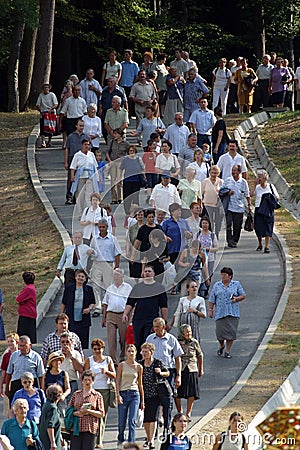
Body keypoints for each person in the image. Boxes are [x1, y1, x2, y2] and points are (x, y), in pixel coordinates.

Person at [122, 266, 168, 357]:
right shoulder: (137, 287)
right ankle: (139, 363)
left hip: (152, 319)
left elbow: (163, 306)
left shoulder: (159, 288)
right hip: (138, 319)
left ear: (154, 274)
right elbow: (130, 302)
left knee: (148, 342)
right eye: (145, 271)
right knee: (138, 342)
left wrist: (164, 321)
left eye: (149, 271)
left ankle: (148, 362)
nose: (147, 273)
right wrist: (125, 314)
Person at [84, 338, 116, 448]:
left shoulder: (108, 360)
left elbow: (114, 375)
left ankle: (99, 440)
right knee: (91, 413)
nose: (97, 351)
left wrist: (106, 372)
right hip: (92, 390)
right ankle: (92, 438)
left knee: (102, 415)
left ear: (103, 349)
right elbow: (84, 375)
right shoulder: (89, 360)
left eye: (99, 349)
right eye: (95, 349)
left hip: (105, 390)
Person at [208, 267, 246, 358]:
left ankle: (227, 351)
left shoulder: (236, 284)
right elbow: (212, 298)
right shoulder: (217, 285)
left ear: (230, 276)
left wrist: (236, 299)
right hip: (220, 313)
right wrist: (210, 310)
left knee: (231, 333)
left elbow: (243, 295)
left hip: (232, 312)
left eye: (225, 275)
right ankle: (221, 345)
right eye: (222, 274)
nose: (223, 276)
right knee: (220, 333)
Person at [140, 342, 171, 449]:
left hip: (156, 394)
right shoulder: (140, 364)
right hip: (144, 394)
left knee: (152, 417)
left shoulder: (157, 363)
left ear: (151, 352)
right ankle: (148, 438)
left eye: (146, 352)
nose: (144, 354)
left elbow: (167, 373)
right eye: (143, 351)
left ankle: (151, 440)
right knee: (146, 419)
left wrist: (160, 373)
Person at [90, 219, 122, 312]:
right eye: (100, 227)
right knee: (96, 285)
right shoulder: (94, 239)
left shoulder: (112, 239)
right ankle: (98, 307)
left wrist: (116, 267)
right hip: (97, 263)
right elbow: (90, 252)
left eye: (103, 227)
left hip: (108, 264)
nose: (102, 229)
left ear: (107, 227)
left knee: (108, 286)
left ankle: (107, 306)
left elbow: (117, 253)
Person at [102, 269, 132, 366]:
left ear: (123, 276)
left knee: (123, 338)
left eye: (118, 274)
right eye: (114, 274)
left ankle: (123, 357)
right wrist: (104, 318)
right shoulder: (110, 288)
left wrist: (130, 317)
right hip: (111, 314)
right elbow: (105, 303)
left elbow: (132, 304)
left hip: (123, 315)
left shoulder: (128, 288)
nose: (116, 276)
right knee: (111, 338)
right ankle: (113, 360)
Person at [68, 370, 104, 450]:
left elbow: (101, 413)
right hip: (76, 428)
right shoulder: (76, 394)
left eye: (89, 380)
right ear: (82, 381)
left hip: (90, 428)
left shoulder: (97, 396)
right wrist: (76, 413)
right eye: (85, 380)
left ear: (93, 382)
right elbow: (69, 410)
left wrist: (88, 411)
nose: (87, 382)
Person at [116, 344, 144, 448]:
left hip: (134, 394)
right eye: (129, 351)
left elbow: (140, 384)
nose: (131, 353)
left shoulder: (139, 367)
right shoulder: (122, 365)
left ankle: (131, 444)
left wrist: (142, 401)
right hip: (123, 393)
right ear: (126, 353)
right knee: (122, 422)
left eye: (133, 351)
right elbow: (118, 381)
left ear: (136, 352)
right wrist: (118, 395)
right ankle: (120, 440)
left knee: (132, 421)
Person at [61, 269, 95, 348]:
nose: (80, 278)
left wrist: (89, 309)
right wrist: (62, 315)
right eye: (79, 276)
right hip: (71, 318)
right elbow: (64, 302)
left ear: (85, 279)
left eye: (82, 277)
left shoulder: (89, 289)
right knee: (70, 341)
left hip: (84, 319)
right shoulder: (69, 289)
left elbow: (93, 302)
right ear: (75, 277)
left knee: (82, 342)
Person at [5, 335, 45, 403]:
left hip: (31, 384)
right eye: (20, 346)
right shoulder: (14, 355)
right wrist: (7, 388)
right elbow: (9, 373)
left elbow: (41, 375)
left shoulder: (36, 357)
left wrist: (41, 389)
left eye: (24, 346)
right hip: (17, 383)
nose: (22, 348)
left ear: (30, 345)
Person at [175, 325, 203, 420]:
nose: (189, 334)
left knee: (192, 392)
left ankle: (188, 412)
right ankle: (180, 412)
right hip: (180, 368)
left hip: (192, 368)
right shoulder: (177, 342)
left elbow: (200, 355)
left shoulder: (194, 342)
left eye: (190, 332)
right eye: (186, 332)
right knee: (177, 392)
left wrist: (200, 369)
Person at [250, 169, 279, 253]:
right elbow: (251, 194)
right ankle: (260, 244)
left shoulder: (271, 186)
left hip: (268, 209)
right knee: (258, 227)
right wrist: (254, 185)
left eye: (260, 177)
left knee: (268, 227)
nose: (259, 179)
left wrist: (269, 198)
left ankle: (267, 246)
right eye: (258, 177)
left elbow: (277, 197)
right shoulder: (257, 187)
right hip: (259, 208)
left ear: (265, 178)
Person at [222, 165, 251, 248]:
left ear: (239, 172)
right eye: (232, 170)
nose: (233, 172)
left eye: (235, 171)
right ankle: (230, 241)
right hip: (229, 207)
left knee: (237, 226)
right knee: (228, 225)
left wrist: (249, 205)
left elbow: (247, 194)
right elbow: (221, 191)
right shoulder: (228, 180)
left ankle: (235, 240)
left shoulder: (243, 182)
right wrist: (228, 192)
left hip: (239, 208)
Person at [70, 139, 99, 218]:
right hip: (80, 176)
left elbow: (95, 166)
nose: (87, 146)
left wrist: (98, 176)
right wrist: (72, 176)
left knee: (89, 195)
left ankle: (88, 213)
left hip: (90, 176)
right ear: (82, 145)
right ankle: (81, 213)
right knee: (80, 195)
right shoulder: (77, 155)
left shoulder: (91, 154)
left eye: (88, 144)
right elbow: (73, 166)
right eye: (85, 144)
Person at [64, 118, 90, 204]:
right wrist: (66, 161)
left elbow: (89, 149)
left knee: (81, 179)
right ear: (76, 126)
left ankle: (77, 197)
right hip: (73, 158)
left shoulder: (86, 136)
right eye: (80, 126)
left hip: (83, 159)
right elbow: (67, 149)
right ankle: (69, 197)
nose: (81, 127)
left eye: (83, 126)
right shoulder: (71, 136)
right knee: (72, 178)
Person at [119, 145, 145, 215]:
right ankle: (127, 212)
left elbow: (143, 169)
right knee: (127, 197)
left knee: (135, 196)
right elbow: (121, 169)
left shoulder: (138, 159)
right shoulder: (125, 160)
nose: (132, 152)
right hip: (127, 180)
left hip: (136, 180)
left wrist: (144, 177)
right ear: (128, 152)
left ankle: (136, 211)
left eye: (133, 151)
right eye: (130, 151)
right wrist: (119, 178)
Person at [106, 128, 130, 204]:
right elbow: (107, 152)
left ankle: (120, 197)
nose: (114, 135)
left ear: (120, 135)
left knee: (120, 180)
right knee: (113, 180)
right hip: (113, 162)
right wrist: (109, 160)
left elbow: (129, 152)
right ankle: (114, 198)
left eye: (116, 134)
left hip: (121, 162)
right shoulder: (112, 142)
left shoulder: (125, 143)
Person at [201, 165, 224, 238]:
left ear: (218, 173)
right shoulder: (205, 181)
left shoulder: (221, 182)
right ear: (209, 172)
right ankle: (209, 236)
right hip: (207, 205)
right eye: (212, 172)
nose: (214, 175)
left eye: (215, 173)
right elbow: (200, 193)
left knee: (218, 222)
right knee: (209, 222)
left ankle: (216, 235)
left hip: (218, 206)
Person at [198, 216, 219, 294]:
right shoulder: (198, 234)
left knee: (209, 273)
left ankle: (206, 289)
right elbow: (194, 244)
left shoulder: (212, 235)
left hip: (210, 258)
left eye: (206, 223)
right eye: (203, 223)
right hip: (200, 257)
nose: (205, 225)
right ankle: (201, 289)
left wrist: (208, 249)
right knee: (201, 273)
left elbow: (216, 247)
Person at [39, 384, 63, 450]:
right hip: (50, 444)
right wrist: (53, 442)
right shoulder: (53, 408)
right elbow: (50, 426)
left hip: (43, 442)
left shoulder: (46, 405)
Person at [0, 333, 19, 417]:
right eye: (8, 342)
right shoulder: (6, 356)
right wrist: (1, 386)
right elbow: (3, 371)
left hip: (17, 381)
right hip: (7, 382)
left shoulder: (20, 354)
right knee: (8, 407)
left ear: (17, 342)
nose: (10, 343)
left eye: (12, 341)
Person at [60, 332, 84, 397]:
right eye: (63, 342)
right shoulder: (57, 354)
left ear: (71, 342)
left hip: (72, 382)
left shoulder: (76, 354)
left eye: (67, 342)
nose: (65, 344)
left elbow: (81, 369)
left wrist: (71, 357)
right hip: (60, 383)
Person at [16, 271, 37, 343]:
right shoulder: (32, 287)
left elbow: (19, 299)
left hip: (26, 314)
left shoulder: (28, 289)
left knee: (23, 334)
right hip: (30, 313)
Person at [36, 82, 58, 148]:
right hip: (44, 112)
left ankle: (49, 141)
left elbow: (56, 104)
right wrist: (40, 109)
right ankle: (43, 141)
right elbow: (38, 104)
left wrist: (51, 108)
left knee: (50, 128)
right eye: (45, 87)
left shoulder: (52, 95)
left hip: (51, 113)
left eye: (47, 87)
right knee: (43, 128)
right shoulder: (41, 95)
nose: (46, 89)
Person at [126, 208, 145, 280]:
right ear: (136, 216)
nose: (140, 216)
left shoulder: (146, 226)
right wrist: (127, 252)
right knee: (135, 273)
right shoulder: (132, 228)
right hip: (134, 253)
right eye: (138, 215)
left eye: (141, 215)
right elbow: (128, 240)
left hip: (144, 252)